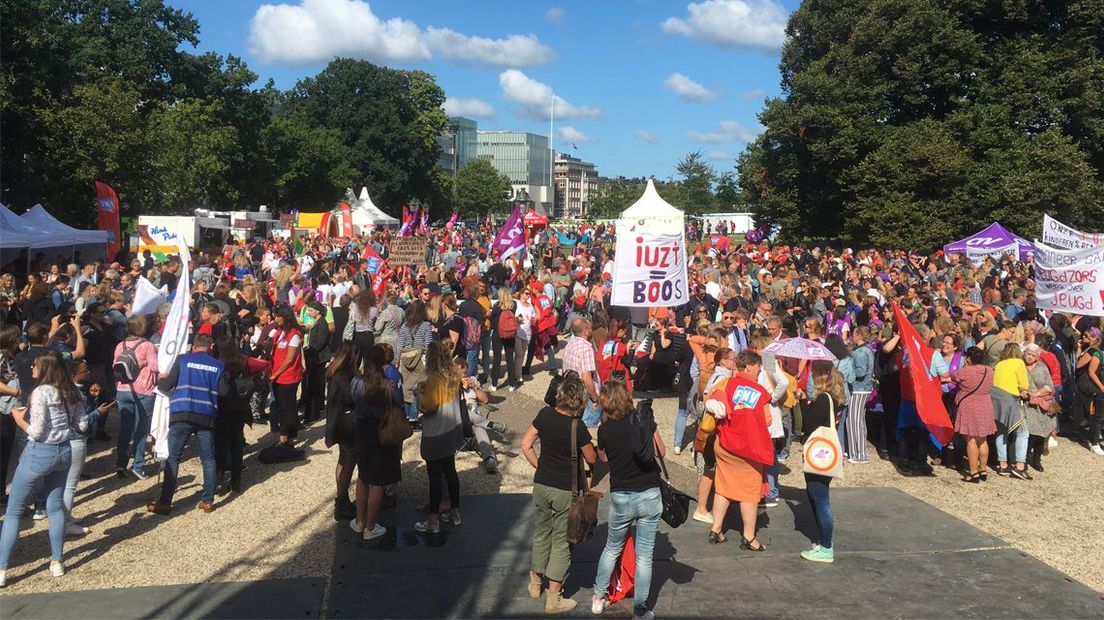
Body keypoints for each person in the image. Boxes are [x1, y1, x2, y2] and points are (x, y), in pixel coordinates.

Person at [0, 352, 81, 586]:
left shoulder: (40, 392)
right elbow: (83, 423)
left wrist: (18, 421)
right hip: (64, 451)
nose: (32, 367)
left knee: (14, 510)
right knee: (54, 507)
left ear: (44, 368)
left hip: (40, 452)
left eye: (35, 365)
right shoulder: (71, 391)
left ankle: (3, 569)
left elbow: (35, 431)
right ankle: (57, 561)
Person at [519, 373, 597, 614]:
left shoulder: (544, 415)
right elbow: (591, 457)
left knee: (542, 533)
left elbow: (525, 444)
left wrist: (539, 465)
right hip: (565, 489)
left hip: (542, 484)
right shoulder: (577, 426)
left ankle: (535, 583)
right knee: (562, 542)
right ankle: (554, 597)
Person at [591, 381, 664, 620]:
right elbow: (660, 452)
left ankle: (599, 597)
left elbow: (602, 458)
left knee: (612, 547)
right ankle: (640, 609)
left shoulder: (605, 430)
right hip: (649, 492)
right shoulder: (643, 421)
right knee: (645, 555)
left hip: (622, 494)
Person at [146, 334, 228, 514]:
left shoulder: (183, 360)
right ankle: (208, 501)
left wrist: (162, 378)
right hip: (206, 416)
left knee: (173, 458)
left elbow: (166, 385)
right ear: (211, 346)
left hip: (182, 413)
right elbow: (224, 392)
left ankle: (165, 502)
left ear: (194, 347)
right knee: (208, 459)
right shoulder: (219, 366)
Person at [703, 350, 772, 550]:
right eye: (758, 366)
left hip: (724, 444)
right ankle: (749, 537)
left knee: (723, 487)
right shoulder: (759, 391)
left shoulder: (726, 384)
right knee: (749, 493)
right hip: (749, 448)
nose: (759, 370)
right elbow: (768, 419)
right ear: (749, 366)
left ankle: (716, 529)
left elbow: (710, 398)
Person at [350, 345, 403, 542]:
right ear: (383, 362)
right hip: (381, 430)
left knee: (363, 476)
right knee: (378, 482)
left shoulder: (356, 382)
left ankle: (359, 520)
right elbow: (398, 403)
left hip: (362, 429)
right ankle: (370, 527)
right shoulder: (387, 384)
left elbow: (353, 400)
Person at [414, 340, 465, 534]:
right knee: (450, 472)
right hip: (451, 429)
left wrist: (419, 394)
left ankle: (433, 519)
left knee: (434, 478)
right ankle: (455, 512)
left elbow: (428, 407)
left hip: (435, 432)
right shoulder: (452, 376)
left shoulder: (435, 378)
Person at [800, 366, 845, 563]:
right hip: (823, 453)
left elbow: (808, 423)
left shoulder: (823, 400)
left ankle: (826, 546)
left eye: (814, 375)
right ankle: (823, 542)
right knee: (817, 496)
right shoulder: (832, 400)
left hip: (818, 454)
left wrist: (802, 402)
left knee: (821, 500)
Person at [113, 315, 159, 479]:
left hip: (123, 389)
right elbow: (155, 367)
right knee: (141, 429)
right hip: (143, 390)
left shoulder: (120, 345)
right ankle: (138, 465)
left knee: (125, 427)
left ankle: (120, 463)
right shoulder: (147, 345)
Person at [325, 342, 360, 522]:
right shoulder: (345, 375)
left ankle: (342, 495)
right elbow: (350, 397)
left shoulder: (333, 372)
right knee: (349, 463)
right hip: (346, 423)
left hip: (336, 421)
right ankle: (341, 500)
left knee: (342, 461)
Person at [953, 347, 996, 482]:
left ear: (969, 358)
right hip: (985, 404)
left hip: (969, 406)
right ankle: (983, 469)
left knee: (971, 440)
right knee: (983, 439)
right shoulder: (988, 370)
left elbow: (954, 377)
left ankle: (973, 472)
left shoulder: (965, 371)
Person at [992, 342, 1030, 480]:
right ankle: (1020, 466)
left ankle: (1002, 464)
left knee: (1001, 430)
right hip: (1009, 398)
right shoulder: (1019, 363)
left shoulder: (1000, 364)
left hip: (995, 397)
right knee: (1022, 432)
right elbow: (1024, 384)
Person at [269, 304, 303, 447]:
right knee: (283, 407)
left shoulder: (294, 335)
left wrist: (275, 373)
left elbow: (289, 359)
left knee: (286, 408)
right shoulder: (279, 332)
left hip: (288, 377)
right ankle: (289, 434)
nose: (275, 319)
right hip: (277, 376)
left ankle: (285, 439)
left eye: (278, 316)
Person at [1022, 343, 1056, 472]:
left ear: (1037, 357)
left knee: (1041, 434)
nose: (1029, 357)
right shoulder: (1020, 365)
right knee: (1029, 434)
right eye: (1028, 354)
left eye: (1032, 355)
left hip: (1042, 405)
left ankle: (1036, 459)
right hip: (1026, 405)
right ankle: (1023, 460)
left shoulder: (1042, 367)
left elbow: (1050, 386)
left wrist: (1036, 393)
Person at [562, 318, 601, 426]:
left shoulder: (570, 344)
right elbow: (586, 378)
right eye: (590, 328)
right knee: (588, 426)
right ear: (586, 331)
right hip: (585, 397)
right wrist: (595, 399)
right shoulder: (586, 349)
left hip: (571, 391)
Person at [1074, 327, 1104, 455]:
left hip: (1093, 387)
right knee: (1094, 414)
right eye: (1084, 335)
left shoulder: (1093, 352)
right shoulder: (1091, 350)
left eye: (1087, 336)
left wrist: (1102, 388)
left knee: (1097, 415)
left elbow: (1081, 367)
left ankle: (1095, 442)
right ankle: (1094, 439)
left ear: (1095, 339)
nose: (1083, 337)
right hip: (1092, 387)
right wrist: (1080, 348)